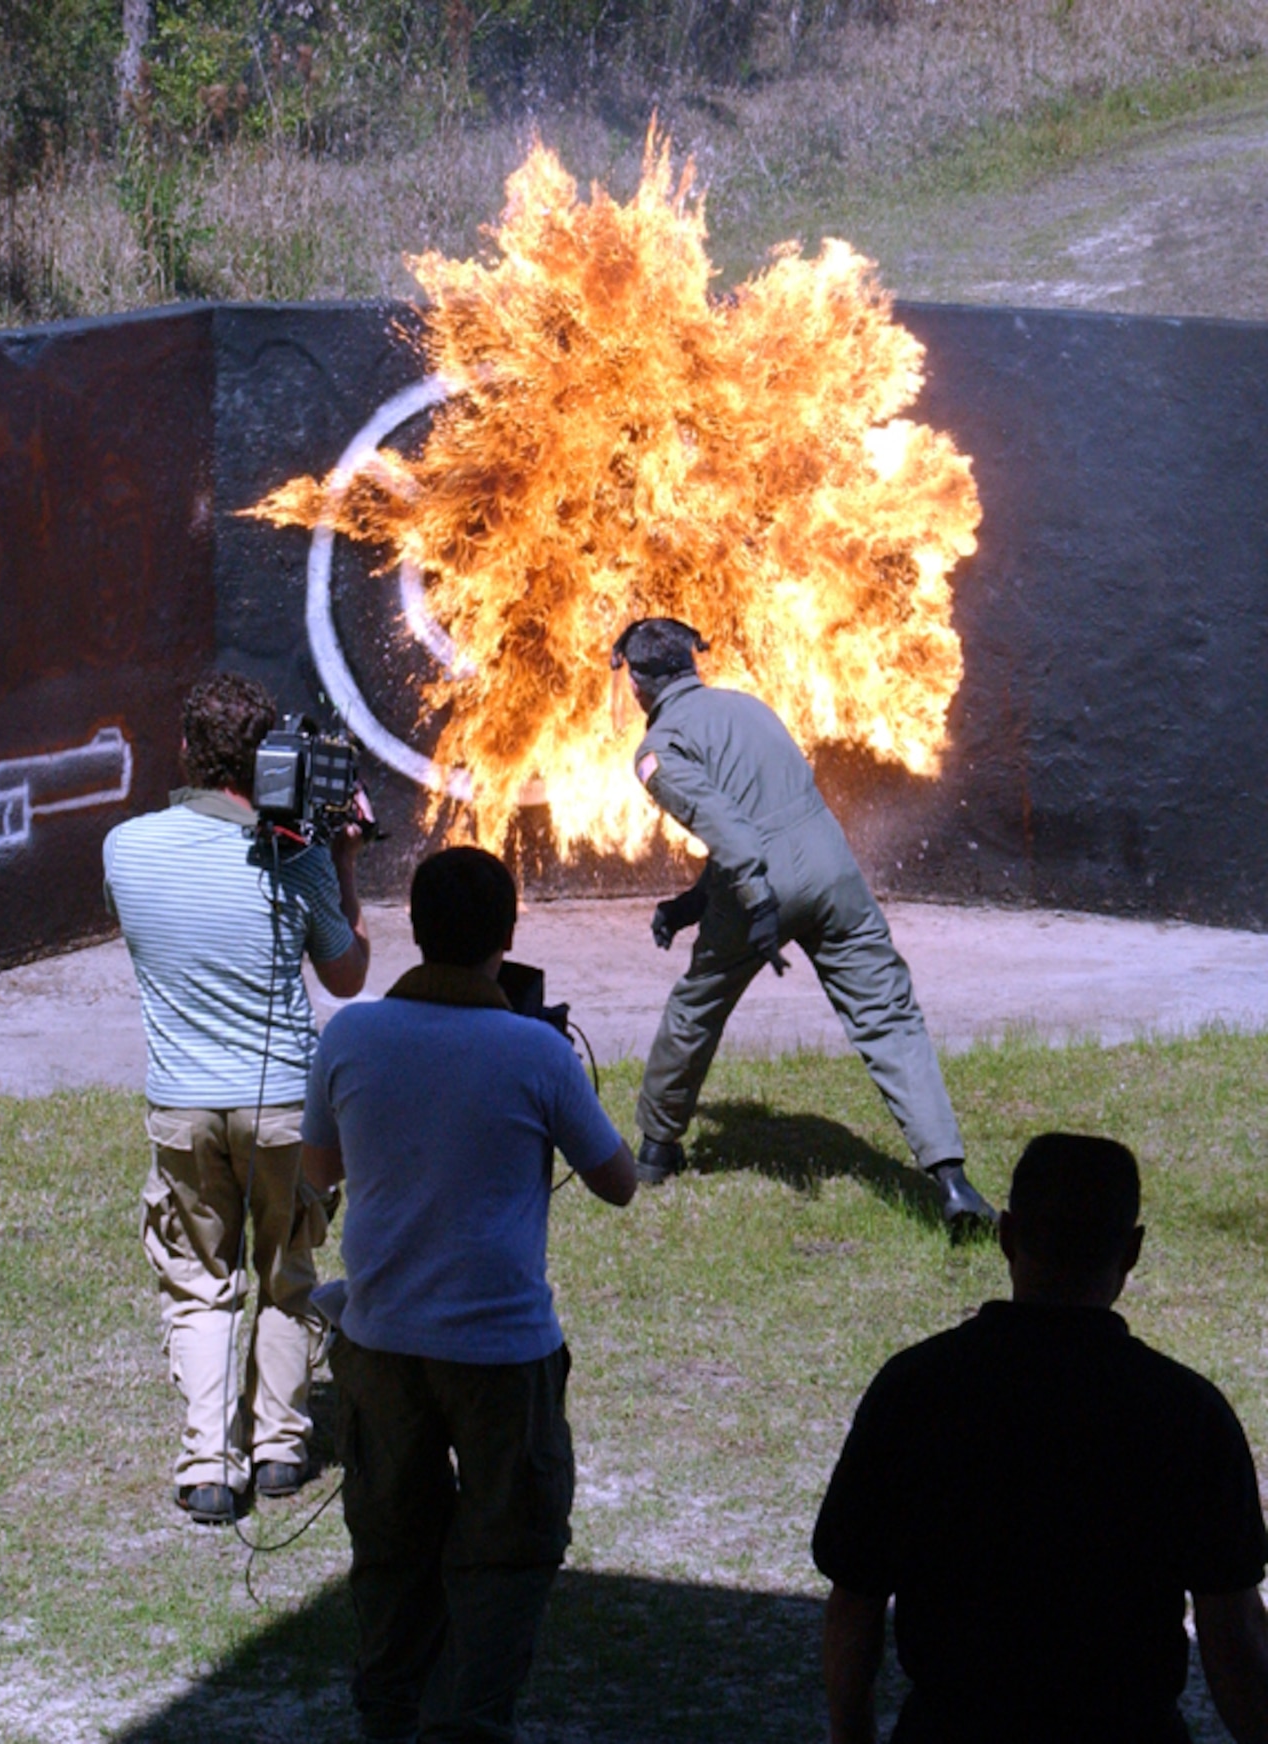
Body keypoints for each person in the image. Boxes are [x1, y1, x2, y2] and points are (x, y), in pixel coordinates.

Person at [301, 845, 637, 1743]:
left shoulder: (350, 1036)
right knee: (509, 1545)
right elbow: (619, 1181)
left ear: (413, 930)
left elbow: (320, 1167)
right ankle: (475, 1721)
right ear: (508, 935)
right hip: (500, 1349)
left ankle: (388, 1709)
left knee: (390, 1544)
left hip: (380, 1340)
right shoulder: (536, 1051)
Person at [813, 1133, 1268, 1744]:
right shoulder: (1188, 1414)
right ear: (1131, 1251)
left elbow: (854, 1607)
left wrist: (851, 1736)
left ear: (1006, 1235)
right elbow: (1233, 1645)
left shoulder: (915, 1392)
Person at [612, 616, 996, 1233]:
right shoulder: (749, 706)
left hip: (759, 883)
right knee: (888, 1015)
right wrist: (690, 905)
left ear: (637, 683)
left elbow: (729, 830)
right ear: (691, 664)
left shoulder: (657, 752)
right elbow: (767, 811)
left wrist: (761, 905)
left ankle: (655, 1151)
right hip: (833, 869)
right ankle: (952, 1183)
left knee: (696, 1009)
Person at [103, 671, 370, 1524]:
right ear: (271, 763)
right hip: (286, 1103)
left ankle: (209, 1468)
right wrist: (342, 865)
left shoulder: (126, 847)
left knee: (199, 1282)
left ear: (185, 751)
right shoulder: (296, 862)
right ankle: (281, 1448)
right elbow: (348, 974)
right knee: (287, 1274)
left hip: (182, 1104)